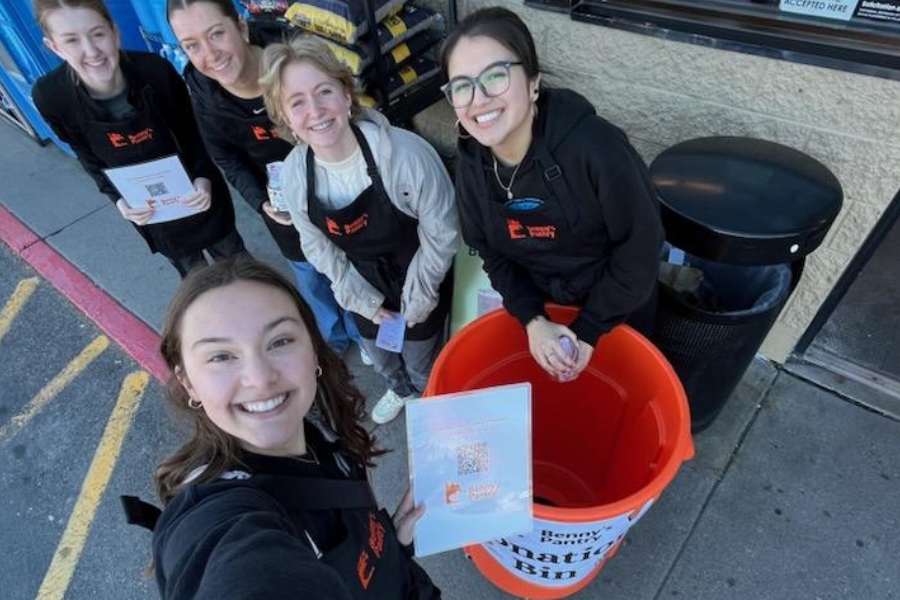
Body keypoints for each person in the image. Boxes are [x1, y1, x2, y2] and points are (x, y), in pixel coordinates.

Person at [152, 256, 440, 599]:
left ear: (313, 349)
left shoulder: (322, 434)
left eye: (279, 341)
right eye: (220, 356)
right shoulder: (216, 515)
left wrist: (390, 543)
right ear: (188, 383)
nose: (260, 379)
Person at [440, 7, 663, 382]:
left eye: (495, 76)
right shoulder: (472, 165)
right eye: (462, 85)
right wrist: (532, 318)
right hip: (542, 310)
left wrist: (591, 328)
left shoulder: (595, 148)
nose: (478, 99)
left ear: (532, 82)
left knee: (616, 391)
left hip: (616, 310)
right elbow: (491, 253)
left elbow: (640, 248)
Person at [260, 36, 459, 425]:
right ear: (285, 118)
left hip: (418, 277)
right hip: (362, 284)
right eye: (297, 101)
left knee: (422, 360)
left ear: (347, 96)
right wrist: (362, 301)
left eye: (324, 92)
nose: (315, 110)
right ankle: (400, 390)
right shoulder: (295, 176)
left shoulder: (405, 155)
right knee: (382, 356)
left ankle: (427, 401)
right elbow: (317, 246)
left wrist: (419, 298)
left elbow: (443, 231)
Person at [166, 0, 367, 358]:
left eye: (217, 34)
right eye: (191, 45)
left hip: (333, 186)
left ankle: (363, 330)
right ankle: (332, 336)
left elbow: (344, 103)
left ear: (241, 28)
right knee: (309, 274)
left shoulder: (291, 57)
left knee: (350, 262)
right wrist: (261, 202)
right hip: (282, 206)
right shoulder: (203, 95)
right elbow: (227, 158)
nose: (210, 55)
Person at [32, 0, 246, 278]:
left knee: (237, 263)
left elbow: (193, 132)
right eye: (71, 40)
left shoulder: (156, 72)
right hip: (153, 214)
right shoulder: (51, 97)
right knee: (196, 278)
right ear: (54, 47)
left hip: (198, 191)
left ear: (115, 33)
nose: (91, 51)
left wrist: (204, 176)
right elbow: (87, 155)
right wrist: (119, 200)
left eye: (98, 34)